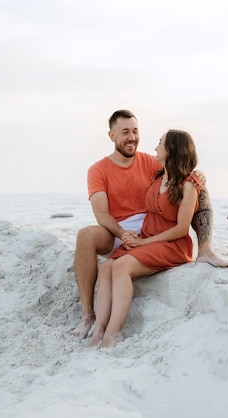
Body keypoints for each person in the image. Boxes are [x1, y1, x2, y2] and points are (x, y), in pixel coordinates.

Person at [70, 110, 228, 339]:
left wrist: (199, 174)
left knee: (198, 186)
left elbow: (180, 174)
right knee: (85, 235)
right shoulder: (98, 170)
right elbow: (102, 215)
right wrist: (123, 233)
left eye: (135, 131)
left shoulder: (149, 162)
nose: (132, 137)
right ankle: (88, 317)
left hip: (150, 228)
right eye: (125, 132)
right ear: (111, 135)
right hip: (117, 229)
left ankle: (205, 249)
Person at [88, 129, 201, 348]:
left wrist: (143, 243)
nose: (156, 147)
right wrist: (135, 237)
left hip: (171, 244)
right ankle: (98, 330)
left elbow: (181, 229)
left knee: (121, 266)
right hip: (147, 236)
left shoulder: (188, 186)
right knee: (106, 268)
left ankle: (113, 333)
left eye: (160, 143)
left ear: (172, 150)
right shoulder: (159, 175)